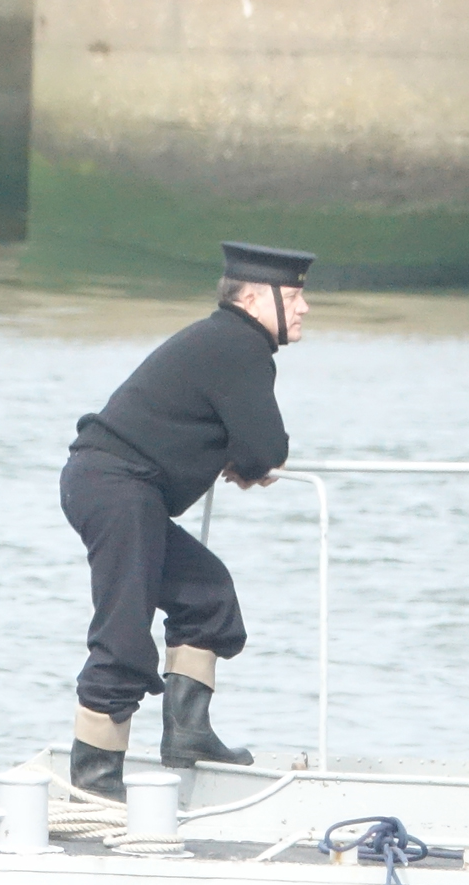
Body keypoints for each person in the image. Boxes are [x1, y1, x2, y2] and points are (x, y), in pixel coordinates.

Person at [59, 241, 314, 800]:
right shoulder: (239, 345)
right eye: (293, 296)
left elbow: (248, 444)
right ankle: (95, 779)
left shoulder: (225, 340)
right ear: (253, 298)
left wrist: (244, 456)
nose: (304, 308)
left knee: (206, 595)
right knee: (123, 635)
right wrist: (248, 460)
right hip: (118, 488)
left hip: (116, 486)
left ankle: (188, 734)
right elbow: (265, 446)